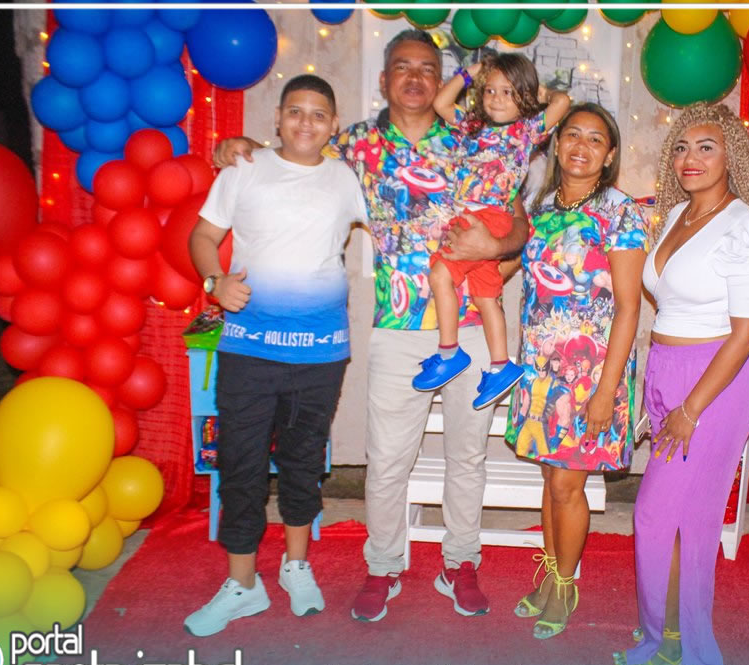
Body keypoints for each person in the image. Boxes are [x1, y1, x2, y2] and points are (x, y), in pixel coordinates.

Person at [214, 30, 530, 622]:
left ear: (441, 80)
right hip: (396, 329)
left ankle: (460, 563)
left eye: (427, 68)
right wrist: (243, 147)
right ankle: (384, 566)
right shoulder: (353, 146)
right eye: (402, 66)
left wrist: (496, 244)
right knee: (386, 462)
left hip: (469, 330)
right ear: (384, 80)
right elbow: (294, 156)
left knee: (467, 458)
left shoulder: (472, 136)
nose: (414, 77)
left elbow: (518, 222)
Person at [183, 75, 367, 636]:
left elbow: (404, 224)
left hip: (321, 352)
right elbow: (202, 237)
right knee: (239, 464)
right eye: (295, 111)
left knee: (303, 462)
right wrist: (214, 283)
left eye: (318, 114)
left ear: (334, 126)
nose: (306, 122)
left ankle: (296, 566)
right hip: (249, 348)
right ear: (279, 118)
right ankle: (243, 584)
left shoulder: (347, 178)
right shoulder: (245, 168)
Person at [613, 103, 749, 665]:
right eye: (682, 148)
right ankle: (671, 635)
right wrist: (659, 389)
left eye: (706, 147)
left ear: (731, 156)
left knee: (657, 516)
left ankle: (681, 643)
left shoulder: (746, 227)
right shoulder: (675, 215)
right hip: (669, 372)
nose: (691, 158)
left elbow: (746, 334)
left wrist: (689, 408)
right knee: (678, 519)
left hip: (715, 383)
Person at [507, 103, 649, 639]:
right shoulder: (541, 207)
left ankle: (565, 586)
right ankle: (550, 575)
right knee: (551, 479)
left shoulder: (620, 213)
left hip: (591, 375)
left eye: (595, 139)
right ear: (557, 143)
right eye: (572, 135)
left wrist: (606, 391)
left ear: (609, 155)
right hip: (540, 371)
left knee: (568, 484)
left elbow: (629, 309)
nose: (581, 146)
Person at [413, 54, 570, 410]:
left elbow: (562, 103)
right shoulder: (472, 126)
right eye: (490, 90)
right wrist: (469, 73)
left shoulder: (526, 130)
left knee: (440, 275)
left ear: (524, 97)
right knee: (485, 297)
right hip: (484, 218)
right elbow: (441, 102)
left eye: (508, 92)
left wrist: (539, 93)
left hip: (484, 217)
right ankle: (501, 365)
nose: (497, 98)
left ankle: (449, 352)